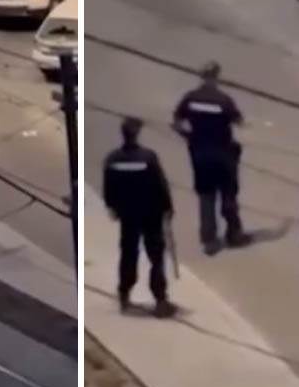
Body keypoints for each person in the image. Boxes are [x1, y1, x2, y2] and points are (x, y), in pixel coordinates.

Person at [172, 61, 251, 255]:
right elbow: (240, 122)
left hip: (200, 156)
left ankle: (209, 240)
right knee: (228, 195)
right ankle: (234, 234)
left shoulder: (190, 98)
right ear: (217, 76)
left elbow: (176, 123)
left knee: (206, 197)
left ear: (201, 76)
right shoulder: (224, 100)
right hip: (223, 155)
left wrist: (190, 137)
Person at [103, 117, 177, 318]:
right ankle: (160, 299)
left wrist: (113, 207)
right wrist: (168, 208)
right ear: (136, 134)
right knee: (156, 256)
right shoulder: (148, 157)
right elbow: (160, 185)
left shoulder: (113, 159)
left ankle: (124, 293)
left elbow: (109, 187)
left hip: (128, 214)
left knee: (128, 254)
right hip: (150, 212)